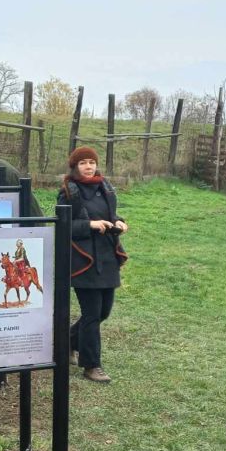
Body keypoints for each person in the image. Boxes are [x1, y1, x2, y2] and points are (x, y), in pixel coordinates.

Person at [58, 146, 128, 384]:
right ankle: (91, 365)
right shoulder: (69, 191)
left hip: (107, 258)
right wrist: (89, 225)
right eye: (83, 163)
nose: (88, 167)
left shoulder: (105, 187)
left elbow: (112, 214)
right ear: (74, 167)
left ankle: (67, 340)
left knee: (103, 312)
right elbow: (63, 225)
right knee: (91, 315)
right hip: (83, 261)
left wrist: (119, 222)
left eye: (91, 162)